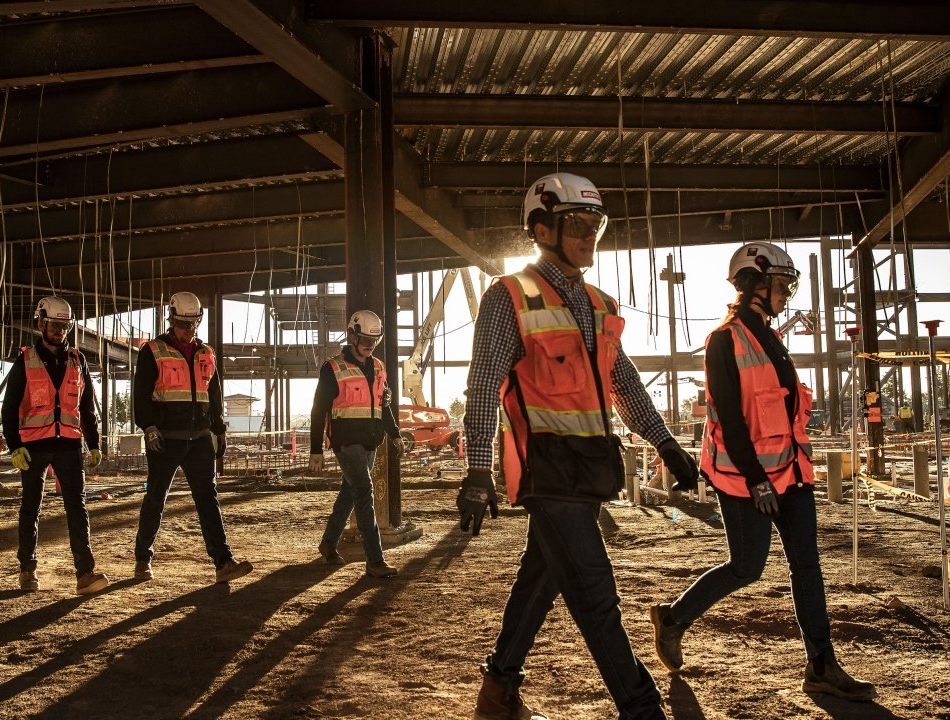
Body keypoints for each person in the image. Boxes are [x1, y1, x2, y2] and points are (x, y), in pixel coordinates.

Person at [459, 172, 701, 720]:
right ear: (541, 227)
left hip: (590, 470)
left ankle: (498, 691)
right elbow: (483, 384)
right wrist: (477, 472)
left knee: (541, 579)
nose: (589, 235)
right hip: (548, 471)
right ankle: (641, 709)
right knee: (596, 596)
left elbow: (624, 382)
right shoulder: (510, 296)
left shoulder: (598, 302)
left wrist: (664, 442)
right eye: (577, 224)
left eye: (596, 225)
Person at [649, 242, 876, 702]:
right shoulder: (724, 341)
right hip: (742, 477)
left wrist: (783, 473)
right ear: (755, 284)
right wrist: (755, 480)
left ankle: (821, 664)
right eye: (782, 285)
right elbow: (730, 419)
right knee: (747, 567)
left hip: (790, 474)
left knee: (806, 566)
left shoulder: (771, 337)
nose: (786, 294)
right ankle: (673, 619)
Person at [132, 291, 252, 585]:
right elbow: (141, 394)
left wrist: (218, 429)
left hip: (198, 438)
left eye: (193, 324)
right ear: (171, 320)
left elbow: (214, 394)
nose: (189, 330)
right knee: (156, 498)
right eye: (184, 324)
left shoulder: (206, 353)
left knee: (207, 498)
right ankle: (142, 559)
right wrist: (148, 427)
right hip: (166, 439)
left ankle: (223, 562)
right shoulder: (154, 351)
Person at [1, 296, 108, 595]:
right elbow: (9, 408)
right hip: (33, 445)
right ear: (41, 324)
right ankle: (27, 569)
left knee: (77, 507)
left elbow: (87, 407)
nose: (59, 331)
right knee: (31, 506)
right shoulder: (25, 361)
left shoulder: (78, 360)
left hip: (70, 445)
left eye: (64, 326)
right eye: (54, 325)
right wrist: (14, 446)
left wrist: (94, 442)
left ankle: (84, 573)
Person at [308, 310, 401, 579]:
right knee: (364, 492)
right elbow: (317, 411)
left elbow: (383, 407)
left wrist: (394, 434)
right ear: (351, 336)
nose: (369, 346)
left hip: (371, 441)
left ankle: (328, 544)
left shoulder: (379, 368)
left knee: (350, 493)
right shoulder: (333, 368)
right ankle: (375, 560)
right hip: (346, 443)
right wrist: (316, 449)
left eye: (374, 341)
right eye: (363, 340)